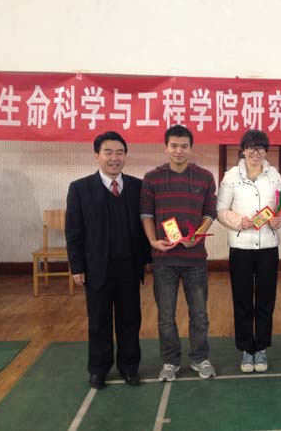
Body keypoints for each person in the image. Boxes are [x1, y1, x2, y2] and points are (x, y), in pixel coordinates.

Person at [65, 131, 151, 389]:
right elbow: (73, 231)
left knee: (130, 319)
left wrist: (147, 258)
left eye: (120, 152)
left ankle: (129, 367)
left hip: (129, 266)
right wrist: (77, 266)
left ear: (125, 156)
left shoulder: (137, 187)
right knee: (99, 320)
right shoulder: (79, 188)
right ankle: (98, 369)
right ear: (97, 156)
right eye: (108, 152)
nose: (115, 158)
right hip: (96, 267)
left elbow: (145, 225)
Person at [140, 125, 217, 381]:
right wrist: (153, 241)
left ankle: (200, 358)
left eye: (184, 146)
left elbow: (210, 212)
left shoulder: (204, 177)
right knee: (165, 316)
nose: (179, 150)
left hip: (195, 260)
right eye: (173, 146)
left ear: (191, 148)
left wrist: (199, 233)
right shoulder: (152, 178)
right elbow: (146, 214)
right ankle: (170, 361)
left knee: (200, 314)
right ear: (166, 147)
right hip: (164, 260)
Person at [216, 130, 281, 373]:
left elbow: (280, 207)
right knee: (242, 300)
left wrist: (280, 220)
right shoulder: (230, 177)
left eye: (261, 148)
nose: (256, 153)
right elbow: (220, 210)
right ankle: (247, 349)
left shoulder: (275, 176)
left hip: (268, 247)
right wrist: (238, 221)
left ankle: (261, 348)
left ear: (266, 150)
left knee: (266, 300)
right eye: (251, 148)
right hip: (241, 248)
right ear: (243, 150)